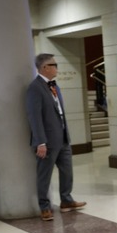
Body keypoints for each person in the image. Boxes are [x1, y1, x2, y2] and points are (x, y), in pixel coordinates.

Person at [26, 53, 86, 222]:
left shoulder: (54, 86)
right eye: (54, 65)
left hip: (63, 138)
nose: (57, 68)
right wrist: (40, 142)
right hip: (47, 141)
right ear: (44, 68)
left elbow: (59, 112)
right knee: (44, 175)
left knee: (67, 171)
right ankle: (44, 207)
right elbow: (34, 117)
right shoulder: (34, 88)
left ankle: (66, 200)